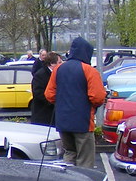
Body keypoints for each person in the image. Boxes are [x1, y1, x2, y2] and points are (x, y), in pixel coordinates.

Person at [44, 37, 106, 168]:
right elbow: (98, 97)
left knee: (69, 154)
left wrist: (63, 103)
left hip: (63, 121)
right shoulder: (90, 71)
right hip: (83, 122)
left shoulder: (58, 69)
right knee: (85, 159)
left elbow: (49, 95)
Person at [29, 51, 56, 126]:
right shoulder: (40, 75)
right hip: (43, 115)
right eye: (59, 62)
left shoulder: (57, 74)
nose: (62, 64)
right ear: (52, 64)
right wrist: (53, 101)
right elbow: (38, 93)